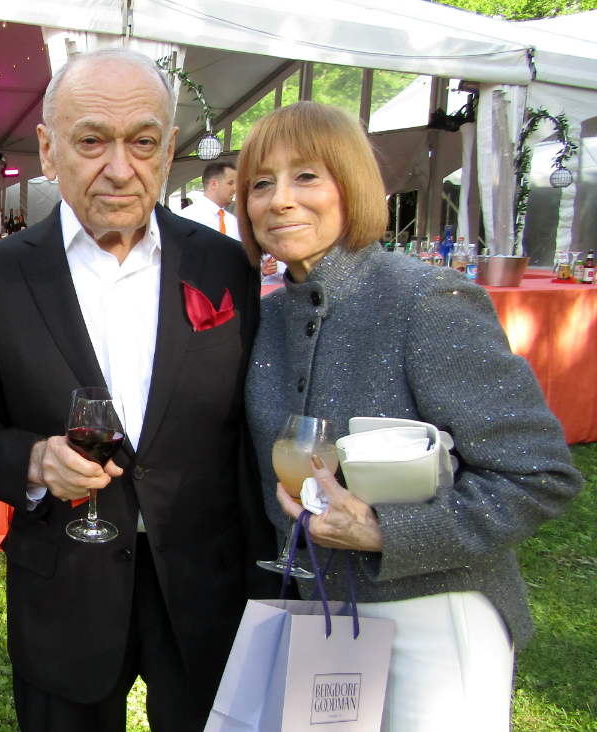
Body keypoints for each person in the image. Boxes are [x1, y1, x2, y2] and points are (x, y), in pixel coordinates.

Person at [0, 49, 276, 732]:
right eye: (92, 140)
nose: (120, 168)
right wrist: (33, 461)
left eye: (143, 142)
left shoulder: (226, 264)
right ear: (48, 148)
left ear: (170, 149)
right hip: (65, 583)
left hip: (202, 582)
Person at [239, 102, 582, 731]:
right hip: (320, 616)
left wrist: (381, 532)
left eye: (307, 176)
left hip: (433, 615)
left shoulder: (424, 301)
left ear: (354, 185)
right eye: (261, 182)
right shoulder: (264, 320)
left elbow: (538, 476)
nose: (280, 200)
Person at [178, 161, 239, 240]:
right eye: (230, 183)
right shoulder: (187, 217)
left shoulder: (233, 221)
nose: (235, 189)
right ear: (214, 184)